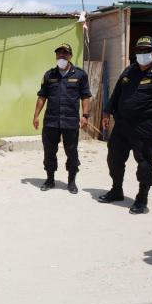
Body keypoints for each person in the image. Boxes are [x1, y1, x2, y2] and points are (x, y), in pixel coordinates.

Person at [98, 36, 152, 214]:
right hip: (122, 126)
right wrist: (106, 112)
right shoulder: (129, 71)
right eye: (139, 51)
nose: (143, 54)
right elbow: (116, 94)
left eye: (147, 50)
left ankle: (142, 198)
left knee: (144, 164)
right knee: (114, 159)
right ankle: (116, 190)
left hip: (145, 127)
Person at [33, 43, 91, 194]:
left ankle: (71, 181)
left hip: (70, 121)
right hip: (51, 121)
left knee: (71, 152)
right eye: (59, 54)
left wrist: (85, 115)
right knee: (49, 152)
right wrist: (36, 116)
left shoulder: (79, 75)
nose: (62, 56)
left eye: (65, 54)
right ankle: (50, 179)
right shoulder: (49, 75)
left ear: (70, 56)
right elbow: (42, 96)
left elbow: (85, 96)